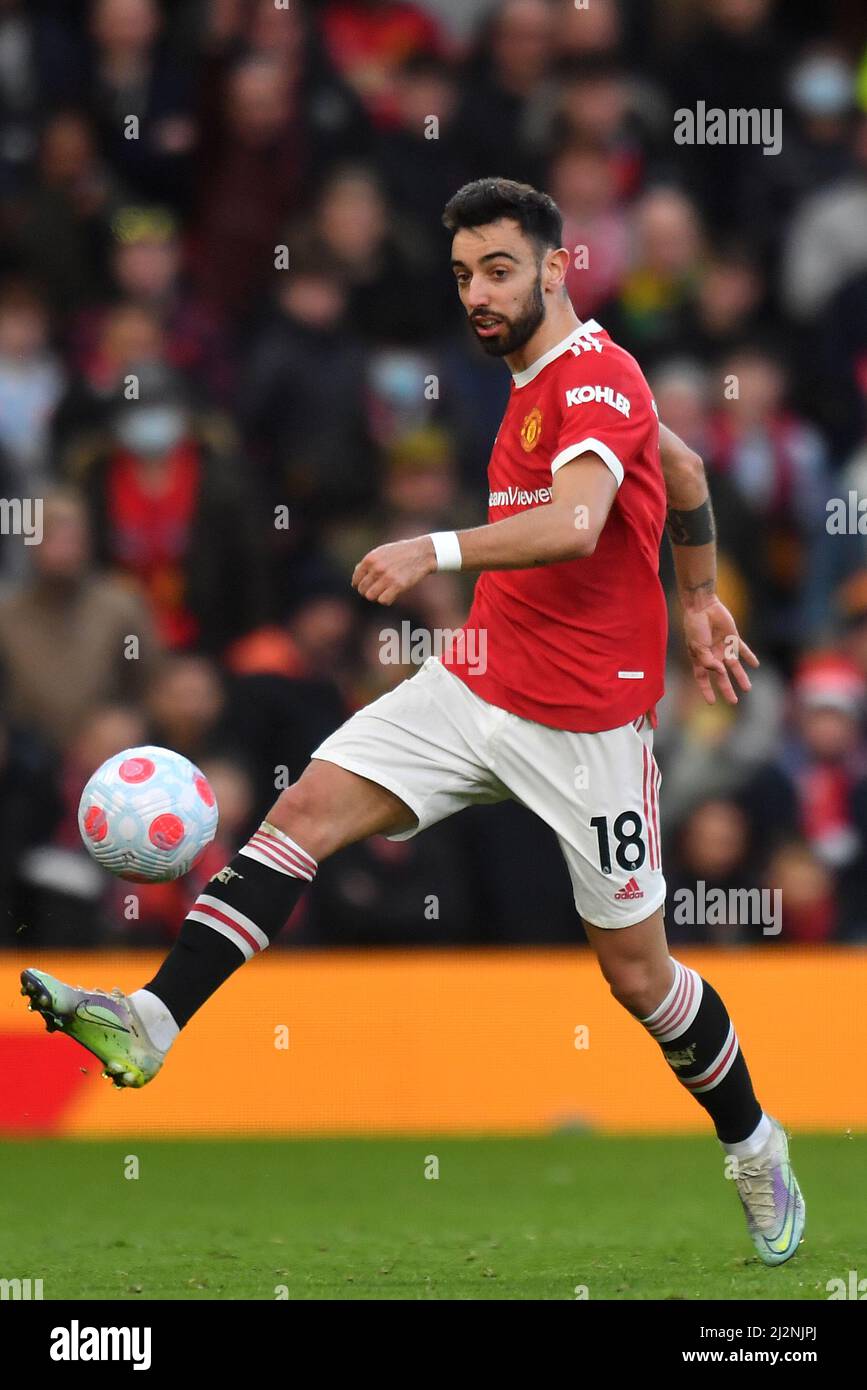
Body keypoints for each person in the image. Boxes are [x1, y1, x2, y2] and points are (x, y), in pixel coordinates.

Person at [21, 177, 804, 1267]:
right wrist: (702, 593)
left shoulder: (599, 374)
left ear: (556, 268)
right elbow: (681, 467)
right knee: (301, 811)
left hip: (586, 731)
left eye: (498, 270)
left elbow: (578, 525)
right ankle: (152, 1024)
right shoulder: (550, 376)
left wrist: (433, 548)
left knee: (640, 979)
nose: (478, 294)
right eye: (462, 276)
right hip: (475, 682)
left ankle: (752, 1139)